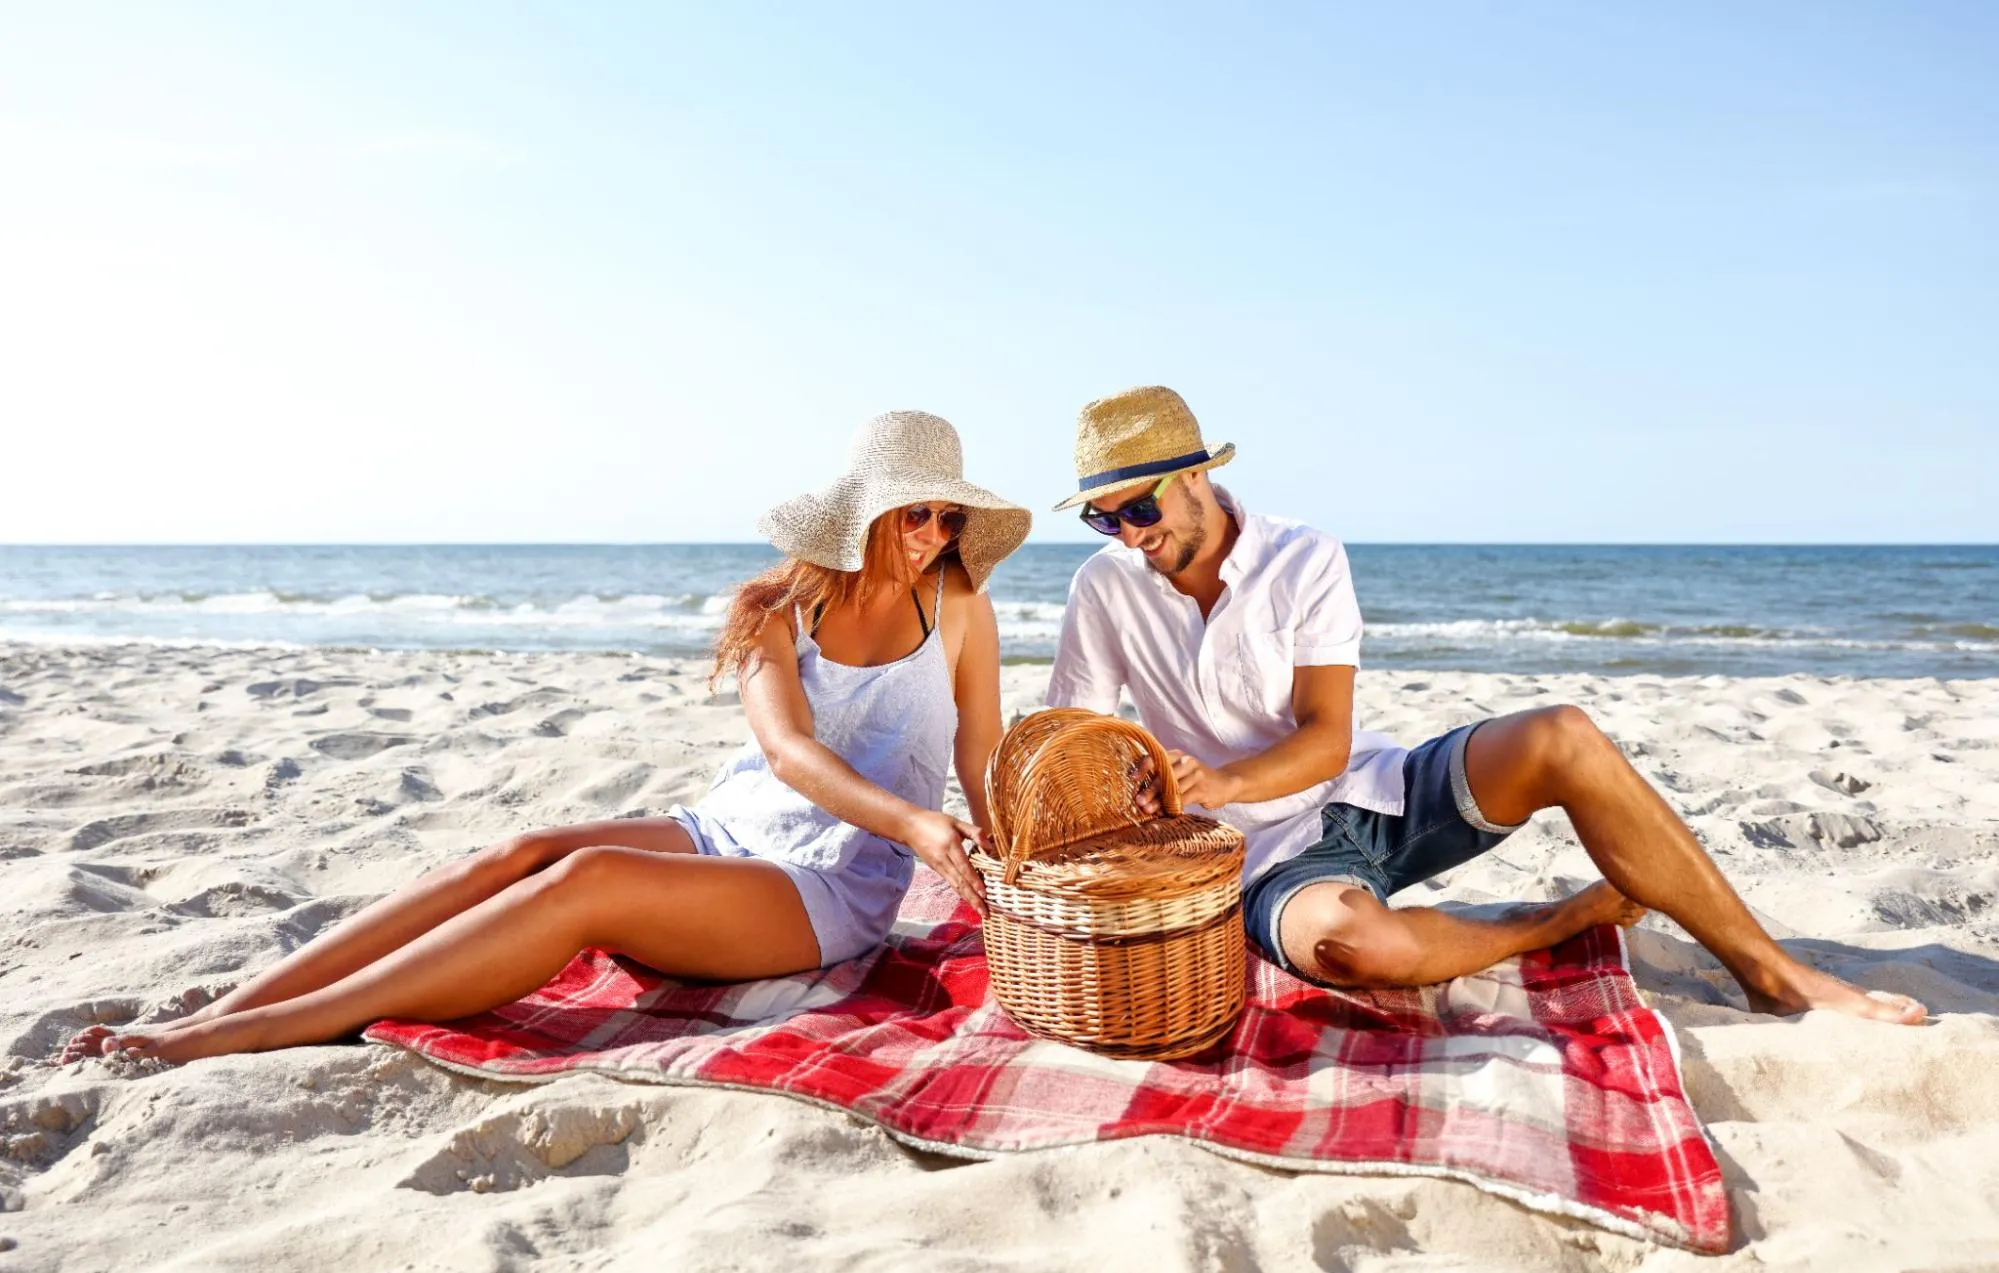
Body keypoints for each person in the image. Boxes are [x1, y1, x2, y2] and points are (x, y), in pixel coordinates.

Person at [64, 410, 1030, 1064]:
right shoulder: (778, 605)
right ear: (863, 515)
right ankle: (227, 1006)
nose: (934, 533)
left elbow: (979, 753)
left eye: (949, 516)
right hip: (727, 829)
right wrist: (917, 821)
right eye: (916, 511)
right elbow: (785, 752)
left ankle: (264, 1030)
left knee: (582, 881)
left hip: (831, 884)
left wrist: (995, 854)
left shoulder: (962, 608)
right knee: (518, 851)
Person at [1045, 385, 1923, 1023]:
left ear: (1196, 474)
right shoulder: (1103, 588)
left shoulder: (1305, 557)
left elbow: (1325, 738)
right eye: (1102, 519)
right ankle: (1555, 917)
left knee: (1564, 736)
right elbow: (1073, 738)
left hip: (1365, 793)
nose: (1128, 533)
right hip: (1264, 860)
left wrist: (1225, 778)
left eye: (1140, 506)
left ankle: (1769, 971)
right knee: (1364, 951)